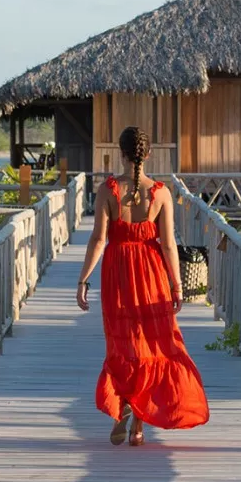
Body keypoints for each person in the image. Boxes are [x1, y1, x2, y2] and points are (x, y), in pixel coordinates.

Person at [75, 125, 210, 445]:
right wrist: (177, 285)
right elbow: (168, 245)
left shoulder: (107, 190)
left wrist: (83, 280)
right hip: (151, 274)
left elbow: (97, 240)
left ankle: (123, 405)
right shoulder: (161, 193)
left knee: (122, 345)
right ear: (148, 155)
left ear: (120, 154)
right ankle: (137, 424)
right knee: (153, 346)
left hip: (117, 273)